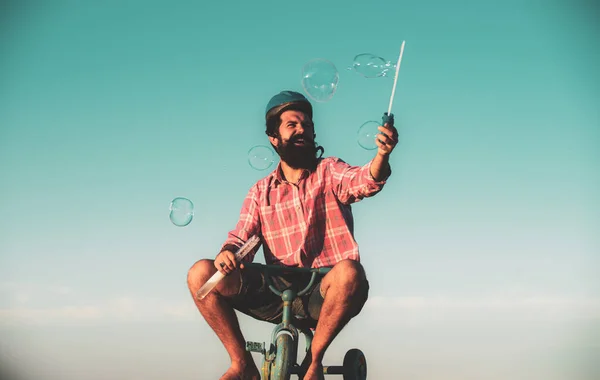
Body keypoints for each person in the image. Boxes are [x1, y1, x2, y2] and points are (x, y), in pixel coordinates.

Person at [187, 90, 398, 380]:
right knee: (200, 274)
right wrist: (228, 253)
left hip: (323, 290)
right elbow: (241, 239)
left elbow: (364, 181)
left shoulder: (329, 170)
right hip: (276, 287)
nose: (302, 130)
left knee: (350, 272)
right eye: (292, 125)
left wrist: (382, 155)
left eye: (307, 126)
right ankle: (242, 364)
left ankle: (314, 362)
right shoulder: (260, 191)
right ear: (274, 137)